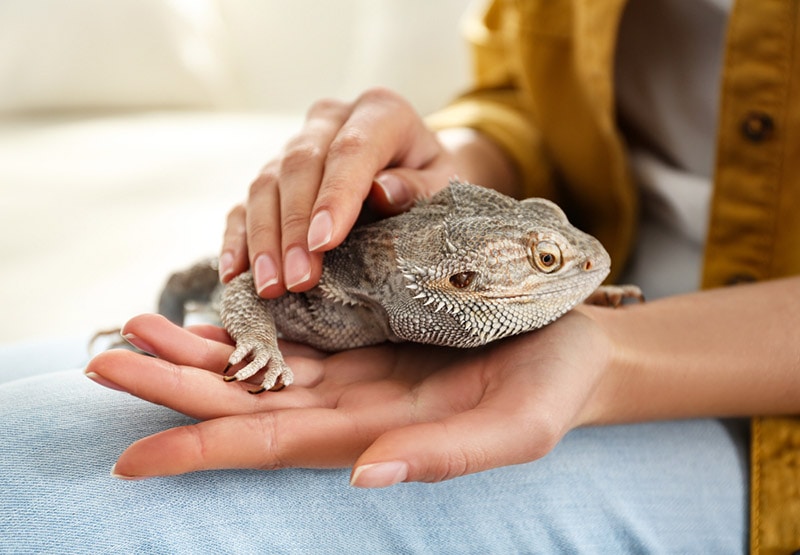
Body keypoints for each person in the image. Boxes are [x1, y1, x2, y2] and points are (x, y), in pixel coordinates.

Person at [2, 0, 799, 553]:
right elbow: (524, 88)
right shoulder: (355, 294)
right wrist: (441, 164)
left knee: (55, 496)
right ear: (453, 281)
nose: (572, 265)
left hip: (762, 435)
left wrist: (613, 339)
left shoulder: (542, 283)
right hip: (545, 282)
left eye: (554, 265)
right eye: (553, 262)